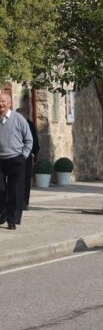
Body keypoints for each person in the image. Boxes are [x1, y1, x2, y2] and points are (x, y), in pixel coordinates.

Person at [0, 94, 33, 230]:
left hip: (16, 159)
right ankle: (2, 214)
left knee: (15, 191)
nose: (0, 104)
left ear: (9, 103)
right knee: (0, 189)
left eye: (2, 101)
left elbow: (29, 140)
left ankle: (12, 219)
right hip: (0, 160)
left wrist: (23, 157)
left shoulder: (18, 119)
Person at [16, 108, 39, 210]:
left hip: (26, 156)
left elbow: (33, 140)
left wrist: (33, 153)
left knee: (25, 180)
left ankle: (24, 202)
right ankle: (16, 201)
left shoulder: (29, 124)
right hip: (14, 155)